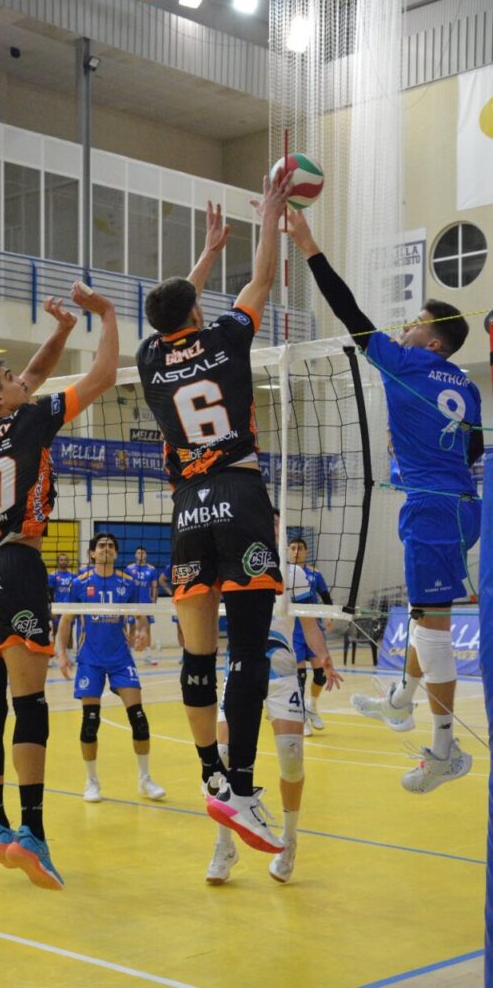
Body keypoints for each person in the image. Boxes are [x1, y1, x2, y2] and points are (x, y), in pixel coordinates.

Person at [287, 208, 483, 793]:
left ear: (435, 340)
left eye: (416, 322)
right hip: (454, 504)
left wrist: (309, 244)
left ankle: (444, 750)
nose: (406, 326)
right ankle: (400, 697)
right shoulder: (467, 385)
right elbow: (471, 450)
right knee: (427, 617)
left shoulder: (406, 364)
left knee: (434, 630)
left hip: (431, 508)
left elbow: (348, 311)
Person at [137, 176, 293, 856]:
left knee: (197, 654)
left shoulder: (147, 359)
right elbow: (264, 277)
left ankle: (211, 777)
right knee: (250, 652)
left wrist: (201, 257)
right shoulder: (228, 335)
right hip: (238, 491)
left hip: (187, 510)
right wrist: (270, 213)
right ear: (199, 313)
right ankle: (246, 785)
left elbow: (171, 312)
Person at [0, 285, 118, 890]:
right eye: (9, 375)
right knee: (29, 705)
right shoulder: (30, 419)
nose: (20, 376)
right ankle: (34, 834)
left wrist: (58, 331)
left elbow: (30, 374)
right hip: (18, 569)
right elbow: (103, 373)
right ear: (1, 395)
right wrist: (103, 317)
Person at [209, 513, 342, 885]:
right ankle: (224, 846)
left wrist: (323, 657)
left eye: (275, 526)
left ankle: (290, 841)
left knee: (292, 759)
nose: (270, 530)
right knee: (224, 756)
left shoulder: (295, 574)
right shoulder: (232, 563)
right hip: (238, 673)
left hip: (282, 676)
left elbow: (309, 623)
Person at [57, 532, 166, 803]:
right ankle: (91, 781)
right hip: (90, 661)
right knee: (90, 723)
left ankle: (145, 779)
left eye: (110, 546)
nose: (106, 549)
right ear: (92, 553)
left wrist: (143, 632)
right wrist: (61, 654)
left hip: (120, 659)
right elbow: (65, 621)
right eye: (101, 546)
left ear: (116, 553)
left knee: (139, 719)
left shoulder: (127, 582)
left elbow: (141, 617)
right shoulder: (79, 582)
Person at [288, 536, 333, 736]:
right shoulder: (285, 573)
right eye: (293, 548)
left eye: (300, 548)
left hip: (313, 628)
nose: (296, 551)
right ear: (289, 551)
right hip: (294, 631)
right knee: (300, 677)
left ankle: (312, 706)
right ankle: (301, 716)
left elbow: (326, 597)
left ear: (307, 551)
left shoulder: (315, 575)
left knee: (320, 675)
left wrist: (331, 615)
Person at [125, 546, 159, 666]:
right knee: (132, 629)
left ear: (146, 555)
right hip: (132, 603)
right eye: (138, 552)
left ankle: (148, 656)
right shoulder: (129, 569)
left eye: (143, 552)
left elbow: (154, 586)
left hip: (146, 603)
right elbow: (125, 585)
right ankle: (129, 656)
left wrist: (154, 602)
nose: (140, 554)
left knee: (147, 630)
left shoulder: (152, 569)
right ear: (135, 555)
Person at [48, 553, 75, 663]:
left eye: (65, 560)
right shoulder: (53, 576)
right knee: (54, 632)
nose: (63, 561)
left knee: (69, 632)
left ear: (68, 562)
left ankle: (69, 654)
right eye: (61, 559)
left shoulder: (73, 576)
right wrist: (51, 609)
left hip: (69, 607)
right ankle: (54, 654)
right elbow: (49, 593)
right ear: (58, 561)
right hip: (57, 607)